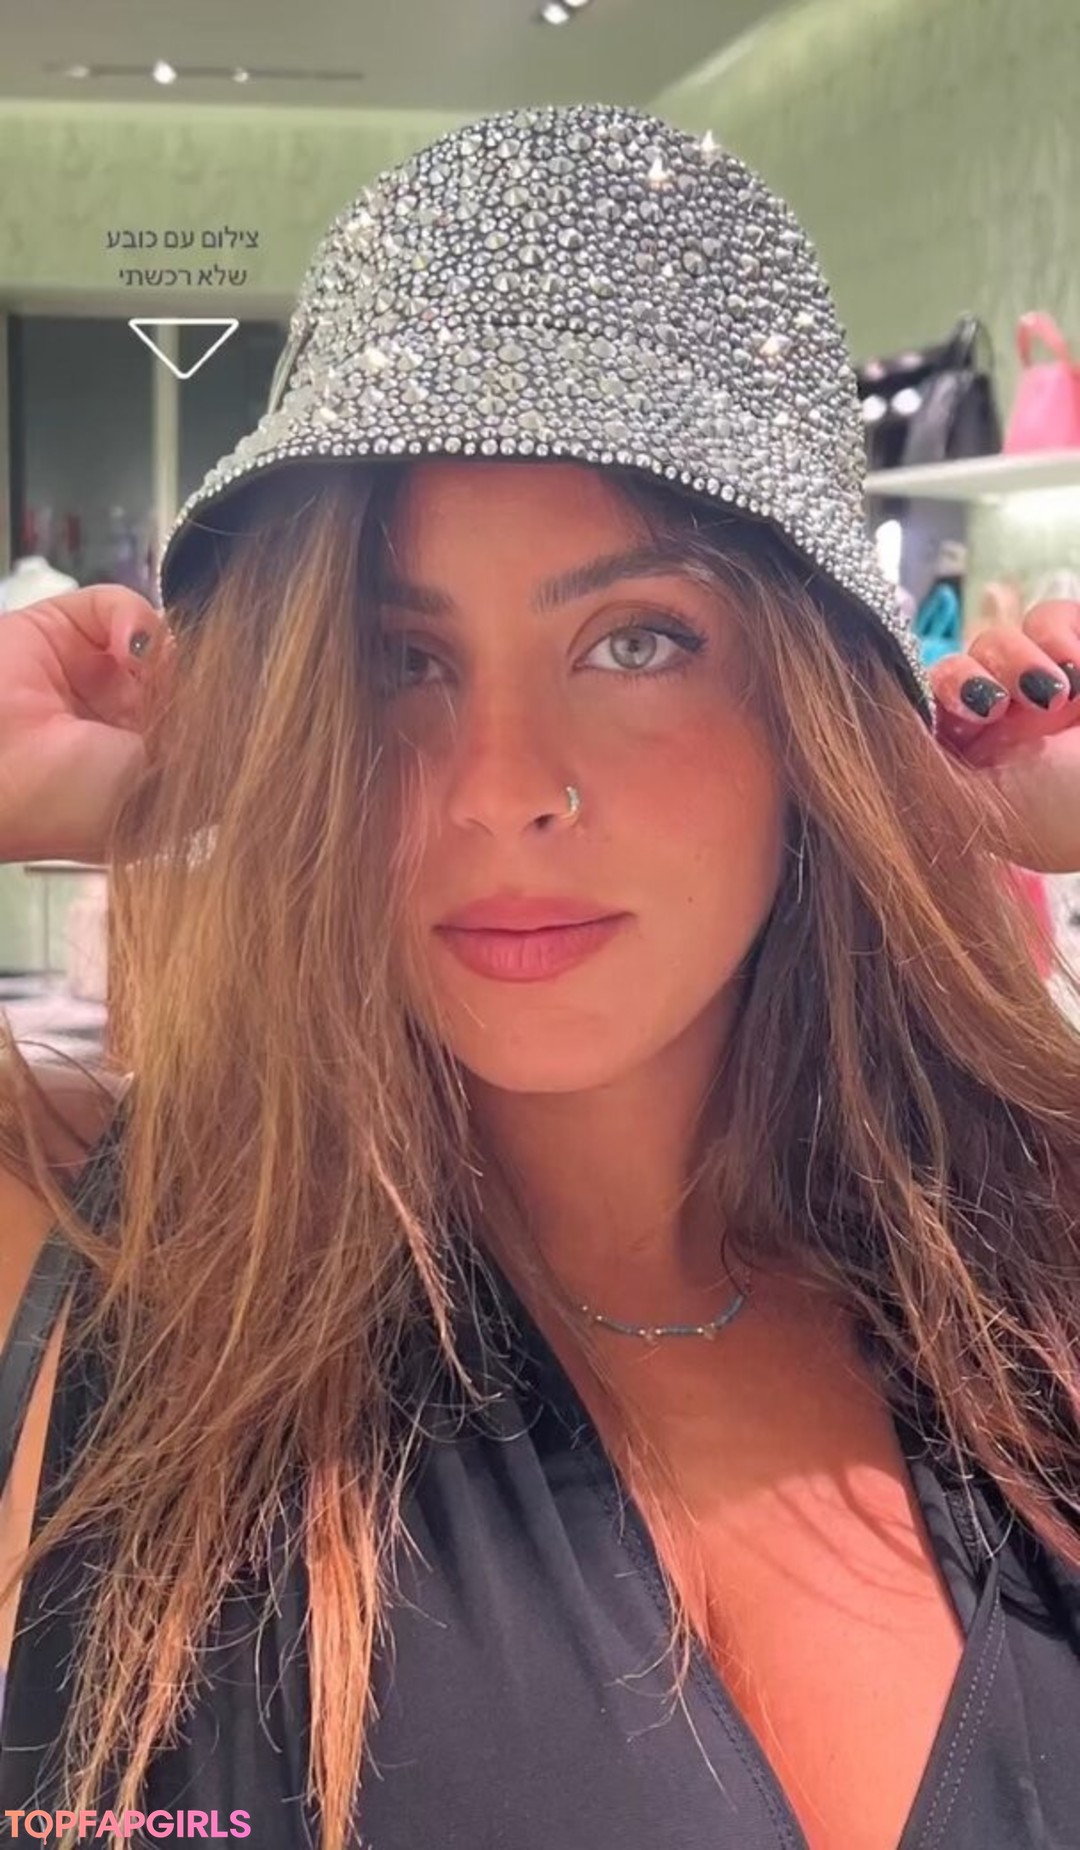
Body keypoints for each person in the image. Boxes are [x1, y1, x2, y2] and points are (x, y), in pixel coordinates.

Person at [2, 103, 1080, 1850]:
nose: (502, 786)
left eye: (635, 640)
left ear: (810, 704)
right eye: (398, 658)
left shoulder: (1028, 1257)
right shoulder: (99, 1254)